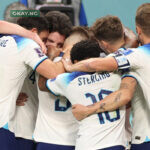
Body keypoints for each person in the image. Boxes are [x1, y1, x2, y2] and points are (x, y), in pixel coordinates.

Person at [63, 3, 150, 150]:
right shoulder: (135, 55)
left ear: (138, 30)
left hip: (142, 137)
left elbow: (124, 95)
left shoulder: (135, 58)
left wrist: (70, 66)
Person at [39, 40, 128, 150]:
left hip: (86, 144)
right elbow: (129, 42)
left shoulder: (68, 80)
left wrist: (55, 56)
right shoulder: (115, 74)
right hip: (115, 143)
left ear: (75, 61)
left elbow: (42, 84)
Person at [35, 26, 91, 150]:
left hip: (47, 140)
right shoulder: (87, 69)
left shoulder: (43, 63)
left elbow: (41, 84)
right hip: (76, 140)